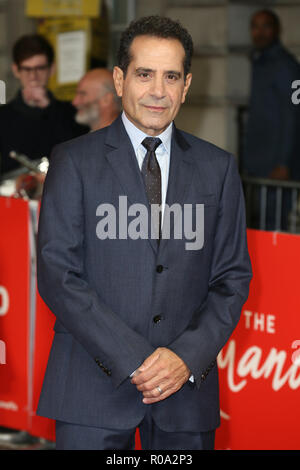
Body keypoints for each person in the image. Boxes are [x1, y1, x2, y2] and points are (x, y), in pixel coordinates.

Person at [36, 16, 252, 450]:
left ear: (186, 85)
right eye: (145, 74)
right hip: (90, 390)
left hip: (185, 396)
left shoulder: (219, 168)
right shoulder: (73, 162)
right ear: (120, 79)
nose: (158, 90)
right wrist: (135, 359)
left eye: (171, 76)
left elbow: (232, 280)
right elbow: (58, 274)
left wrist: (184, 359)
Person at [0, 34, 88, 176]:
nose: (33, 76)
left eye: (40, 68)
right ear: (16, 70)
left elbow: (77, 155)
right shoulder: (3, 117)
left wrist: (49, 108)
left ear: (51, 69)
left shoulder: (71, 113)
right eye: (27, 69)